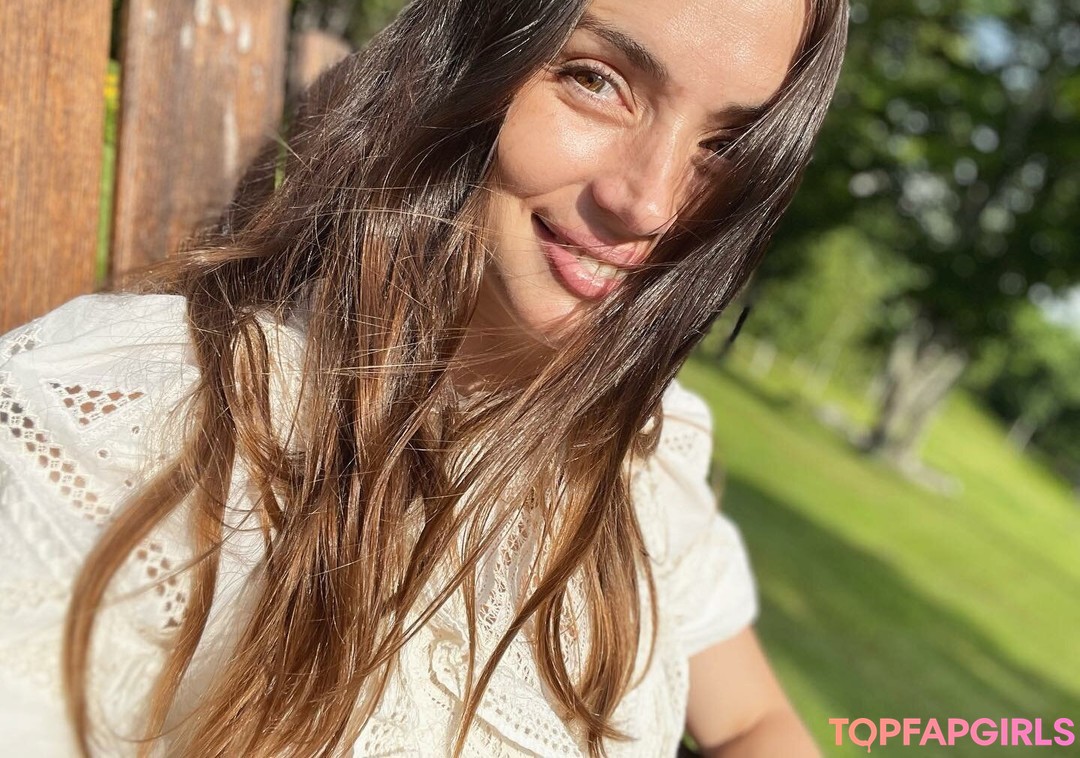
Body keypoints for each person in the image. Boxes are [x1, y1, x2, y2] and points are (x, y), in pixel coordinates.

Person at [0, 0, 848, 754]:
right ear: (470, 46)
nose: (651, 203)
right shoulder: (137, 426)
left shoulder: (632, 457)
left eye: (724, 145)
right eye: (597, 81)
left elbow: (753, 721)